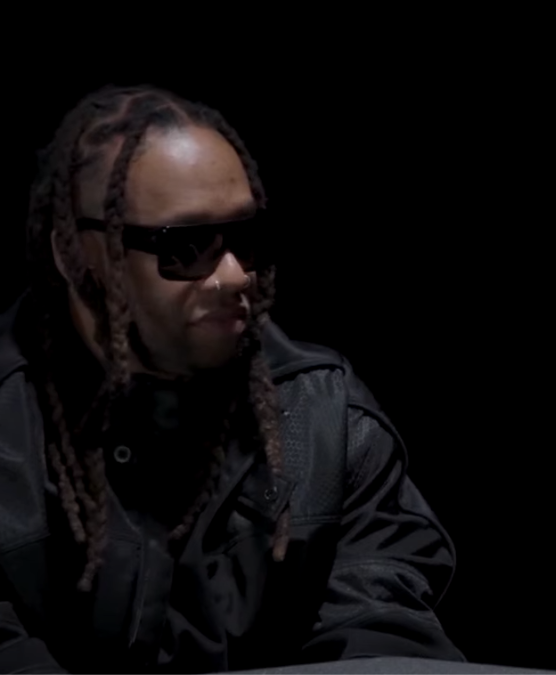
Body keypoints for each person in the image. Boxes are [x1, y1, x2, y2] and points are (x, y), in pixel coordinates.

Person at [0, 85, 464, 672]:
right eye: (184, 246)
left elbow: (380, 638)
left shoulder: (326, 421)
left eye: (247, 239)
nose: (234, 275)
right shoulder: (10, 429)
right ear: (75, 258)